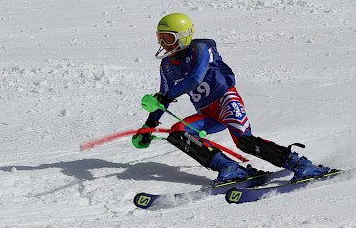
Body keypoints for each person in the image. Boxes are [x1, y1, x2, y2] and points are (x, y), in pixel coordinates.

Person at [132, 13, 333, 183]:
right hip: (207, 114)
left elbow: (195, 78)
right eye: (160, 38)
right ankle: (230, 168)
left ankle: (301, 165)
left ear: (183, 37)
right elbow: (162, 100)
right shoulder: (167, 66)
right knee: (178, 132)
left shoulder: (201, 49)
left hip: (226, 101)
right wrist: (148, 125)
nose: (163, 44)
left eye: (168, 38)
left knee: (244, 142)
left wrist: (166, 95)